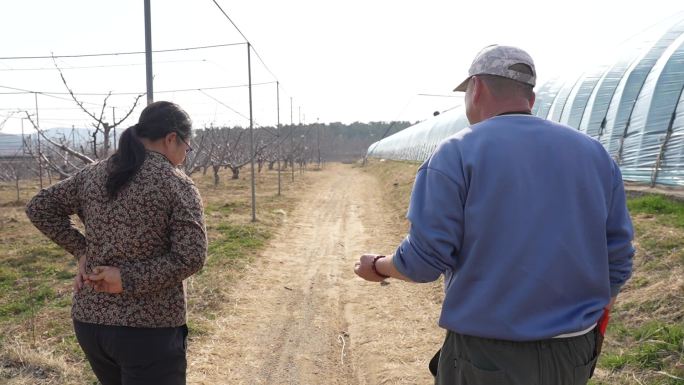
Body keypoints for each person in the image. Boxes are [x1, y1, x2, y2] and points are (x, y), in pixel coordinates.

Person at [354, 45, 634, 385]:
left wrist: (378, 266)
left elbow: (424, 261)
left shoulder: (456, 153)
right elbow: (617, 260)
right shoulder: (595, 155)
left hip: (489, 358)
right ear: (530, 99)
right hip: (574, 354)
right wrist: (593, 329)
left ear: (477, 88)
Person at [26, 101, 207, 385]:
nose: (186, 153)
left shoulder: (93, 173)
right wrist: (126, 278)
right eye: (187, 145)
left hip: (91, 322)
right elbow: (191, 257)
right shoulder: (176, 183)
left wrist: (81, 250)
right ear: (172, 138)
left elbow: (39, 207)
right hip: (149, 328)